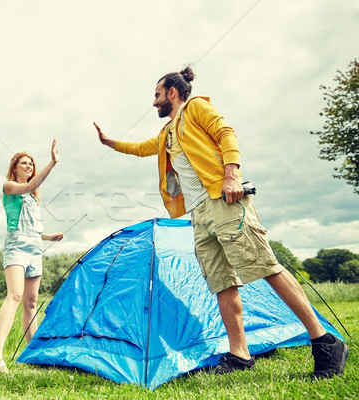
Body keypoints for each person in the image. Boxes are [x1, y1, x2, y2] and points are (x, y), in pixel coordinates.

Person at [93, 66, 349, 378]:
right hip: (199, 215)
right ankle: (240, 354)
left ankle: (324, 340)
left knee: (264, 266)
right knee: (221, 283)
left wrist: (231, 175)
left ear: (172, 93)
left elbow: (226, 134)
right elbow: (139, 148)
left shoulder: (196, 107)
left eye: (157, 95)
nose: (154, 102)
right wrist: (109, 143)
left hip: (224, 201)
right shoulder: (166, 134)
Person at [0, 139, 64, 373]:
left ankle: (33, 354)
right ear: (15, 168)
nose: (28, 166)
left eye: (31, 163)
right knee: (15, 295)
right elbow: (30, 187)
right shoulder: (9, 187)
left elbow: (33, 230)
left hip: (34, 249)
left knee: (31, 302)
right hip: (16, 247)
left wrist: (49, 237)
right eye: (24, 163)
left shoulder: (33, 197)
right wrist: (52, 163)